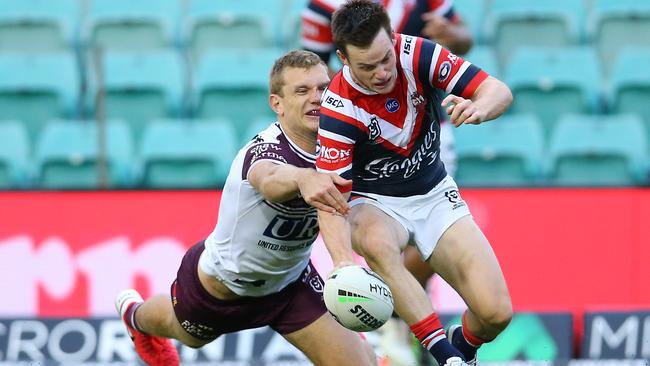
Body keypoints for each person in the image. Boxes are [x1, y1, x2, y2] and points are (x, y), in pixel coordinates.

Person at [115, 50, 377, 366]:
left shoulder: (344, 145)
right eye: (302, 91)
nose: (317, 98)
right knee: (187, 335)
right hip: (221, 288)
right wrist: (303, 178)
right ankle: (135, 317)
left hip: (290, 286)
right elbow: (268, 179)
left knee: (361, 364)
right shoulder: (262, 151)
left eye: (323, 88)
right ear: (276, 104)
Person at [314, 1, 513, 366]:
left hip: (435, 194)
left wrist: (481, 107)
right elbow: (331, 202)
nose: (381, 73)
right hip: (375, 203)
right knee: (374, 241)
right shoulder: (338, 109)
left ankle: (462, 345)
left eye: (385, 59)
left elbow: (497, 90)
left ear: (392, 38)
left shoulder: (420, 53)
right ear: (342, 58)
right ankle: (445, 355)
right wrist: (342, 263)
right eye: (367, 67)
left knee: (496, 314)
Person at [302, 0, 472, 293]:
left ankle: (392, 310)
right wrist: (354, 96)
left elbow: (464, 39)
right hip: (364, 139)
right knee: (376, 236)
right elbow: (312, 70)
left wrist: (453, 35)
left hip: (428, 129)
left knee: (436, 229)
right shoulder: (322, 5)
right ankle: (396, 312)